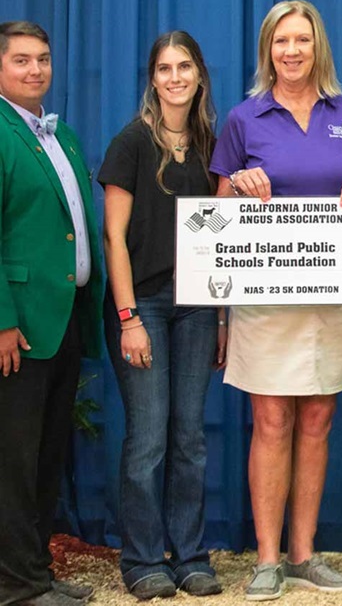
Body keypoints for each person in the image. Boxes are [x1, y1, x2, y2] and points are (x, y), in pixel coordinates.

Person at [210, 1, 342, 600]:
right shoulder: (243, 118)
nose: (292, 51)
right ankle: (266, 559)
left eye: (302, 40)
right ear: (268, 49)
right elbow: (216, 222)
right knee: (272, 418)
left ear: (318, 48)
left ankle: (304, 554)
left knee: (318, 416)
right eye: (281, 41)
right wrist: (243, 193)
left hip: (334, 293)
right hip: (265, 296)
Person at [99, 32, 223, 599]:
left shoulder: (209, 145)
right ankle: (143, 559)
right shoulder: (130, 143)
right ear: (153, 78)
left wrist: (221, 318)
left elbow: (224, 238)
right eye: (165, 68)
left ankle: (191, 554)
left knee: (190, 437)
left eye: (185, 66)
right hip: (141, 304)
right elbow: (114, 238)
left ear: (199, 74)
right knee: (148, 438)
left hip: (197, 307)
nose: (175, 77)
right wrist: (128, 317)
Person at [0, 21, 105, 606]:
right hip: (18, 325)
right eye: (21, 61)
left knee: (43, 455)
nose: (36, 69)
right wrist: (1, 320)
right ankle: (17, 586)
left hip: (60, 319)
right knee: (14, 459)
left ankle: (34, 571)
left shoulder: (58, 135)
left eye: (42, 59)